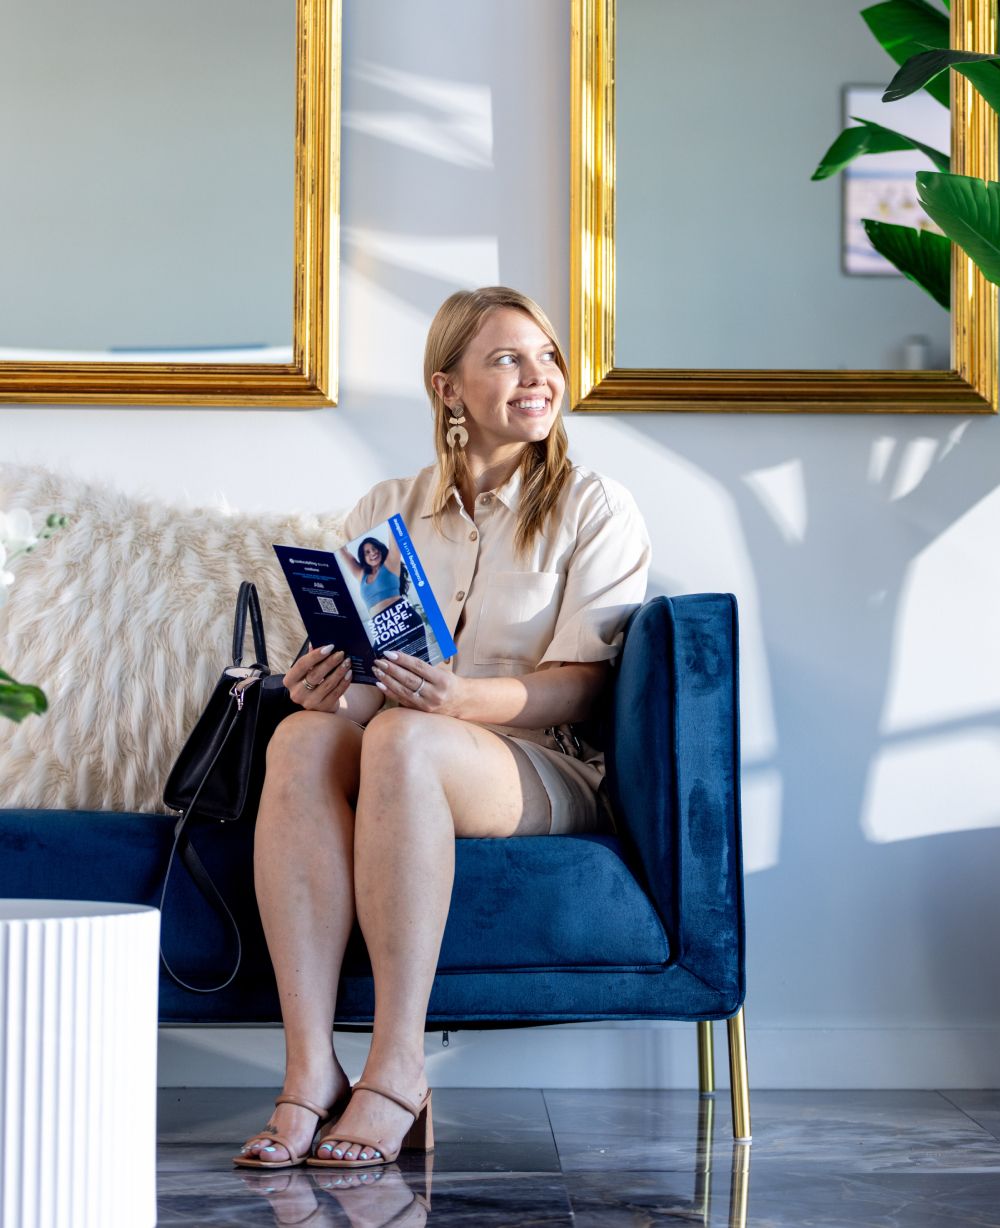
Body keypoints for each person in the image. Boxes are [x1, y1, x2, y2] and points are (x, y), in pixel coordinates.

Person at [234, 286, 651, 1171]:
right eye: (508, 358)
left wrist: (456, 702)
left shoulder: (595, 507)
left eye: (547, 357)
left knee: (407, 736)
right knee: (303, 738)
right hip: (406, 745)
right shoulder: (387, 510)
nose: (539, 377)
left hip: (539, 763)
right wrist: (325, 691)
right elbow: (366, 690)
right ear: (448, 388)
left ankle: (398, 1071)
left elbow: (578, 691)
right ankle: (309, 1073)